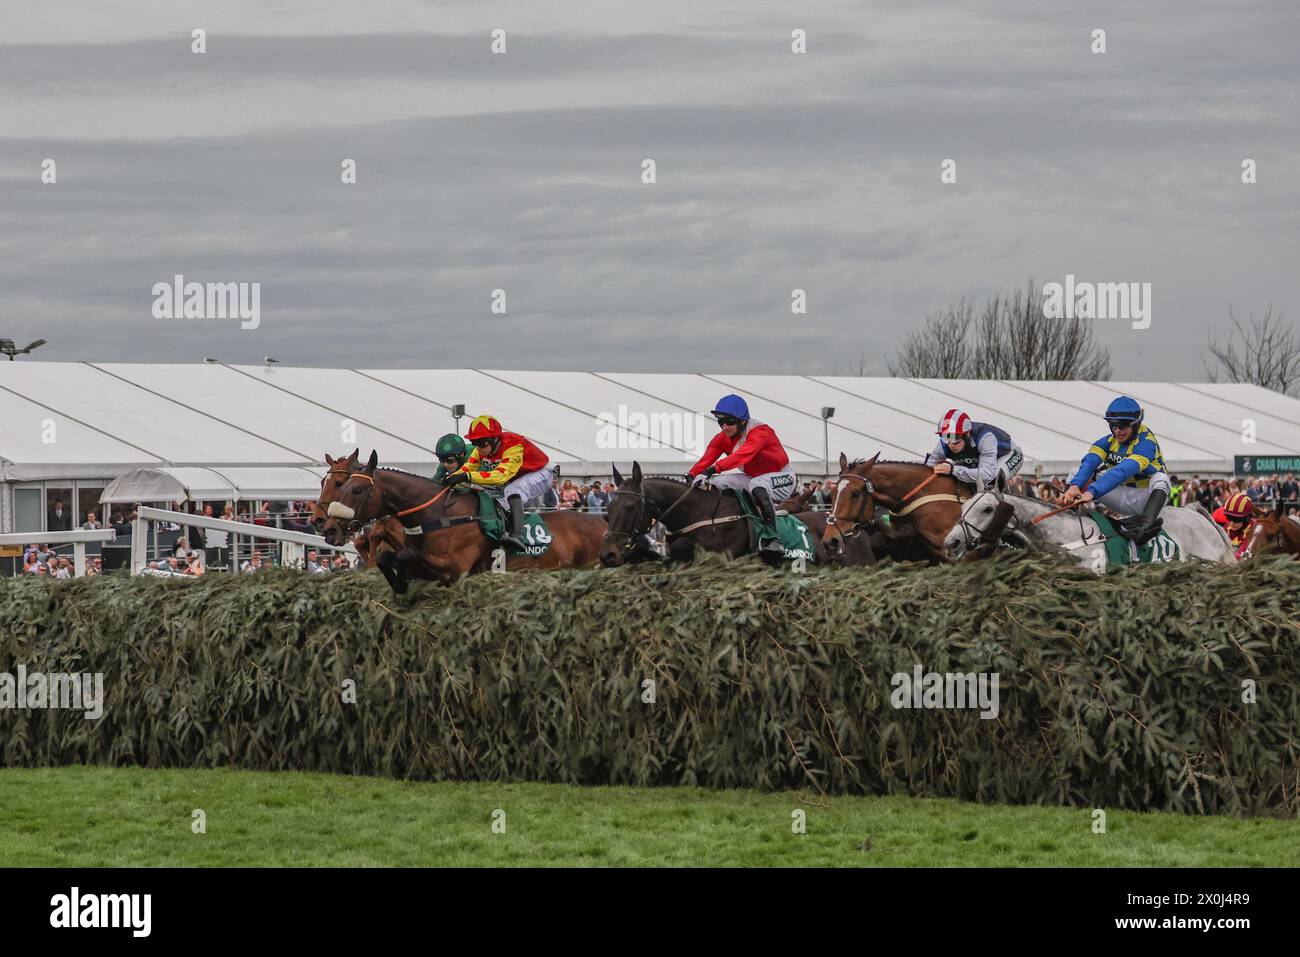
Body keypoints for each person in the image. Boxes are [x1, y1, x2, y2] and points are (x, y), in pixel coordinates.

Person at [687, 394, 795, 555]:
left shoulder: (761, 432)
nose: (724, 427)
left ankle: (772, 538)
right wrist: (692, 475)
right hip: (753, 478)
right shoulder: (722, 438)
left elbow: (742, 456)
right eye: (720, 421)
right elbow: (706, 460)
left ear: (743, 421)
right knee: (717, 483)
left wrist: (711, 470)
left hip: (782, 477)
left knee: (757, 485)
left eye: (729, 421)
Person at [1060, 396, 1170, 547]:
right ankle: (1066, 516)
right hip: (1122, 496)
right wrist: (1074, 487)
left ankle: (1145, 527)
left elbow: (1122, 471)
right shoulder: (1107, 442)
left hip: (1145, 498)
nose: (1117, 431)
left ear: (1136, 424)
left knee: (1161, 478)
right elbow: (1090, 462)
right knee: (1075, 472)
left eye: (1122, 426)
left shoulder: (1147, 443)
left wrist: (1092, 492)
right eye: (1113, 425)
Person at [443, 415, 555, 550]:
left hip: (542, 473)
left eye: (482, 442)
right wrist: (448, 480)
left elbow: (500, 476)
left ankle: (518, 535)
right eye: (474, 443)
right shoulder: (480, 450)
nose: (478, 448)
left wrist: (466, 476)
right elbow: (467, 469)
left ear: (495, 439)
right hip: (518, 477)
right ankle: (502, 530)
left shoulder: (513, 445)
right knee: (482, 490)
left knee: (512, 491)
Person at [924, 409, 1023, 491]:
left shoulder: (985, 438)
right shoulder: (943, 444)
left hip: (1008, 454)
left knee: (993, 480)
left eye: (956, 439)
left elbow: (986, 476)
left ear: (967, 435)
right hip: (979, 459)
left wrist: (953, 470)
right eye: (946, 438)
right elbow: (927, 467)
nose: (951, 445)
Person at [1221, 492, 1260, 559]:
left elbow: (1244, 556)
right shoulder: (1227, 528)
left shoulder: (1254, 530)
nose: (1231, 523)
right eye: (1229, 518)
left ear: (1247, 518)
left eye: (1236, 519)